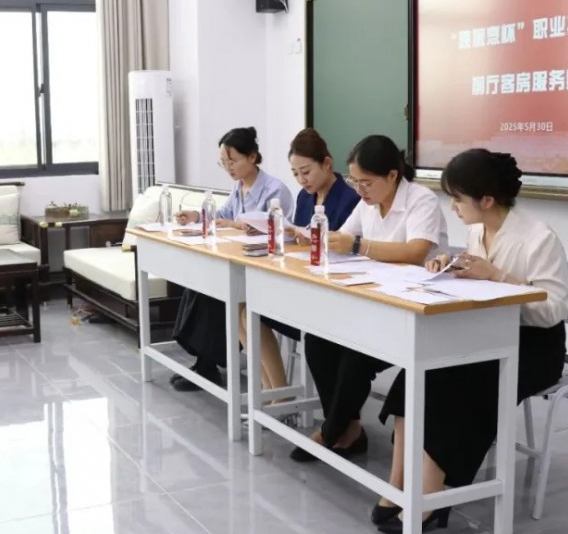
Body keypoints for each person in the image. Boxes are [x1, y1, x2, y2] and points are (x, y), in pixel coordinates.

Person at [373, 149, 568, 534]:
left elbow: (554, 308)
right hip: (486, 334)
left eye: (458, 199)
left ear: (487, 200)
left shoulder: (538, 237)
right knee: (416, 374)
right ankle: (399, 484)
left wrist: (498, 276)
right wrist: (450, 267)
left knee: (460, 386)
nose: (453, 207)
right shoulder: (478, 230)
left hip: (534, 347)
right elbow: (477, 283)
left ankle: (430, 496)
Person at [291, 134, 447, 462]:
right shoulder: (367, 203)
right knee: (318, 340)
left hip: (416, 311)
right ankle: (348, 429)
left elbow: (416, 251)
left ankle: (330, 432)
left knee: (355, 355)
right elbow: (344, 236)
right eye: (354, 181)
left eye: (366, 182)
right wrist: (317, 237)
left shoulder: (421, 200)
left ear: (392, 175)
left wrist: (358, 245)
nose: (359, 190)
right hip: (375, 302)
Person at [170, 127, 294, 391]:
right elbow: (223, 215)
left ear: (252, 157)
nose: (228, 168)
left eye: (233, 161)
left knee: (216, 295)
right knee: (200, 284)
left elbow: (274, 229)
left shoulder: (274, 190)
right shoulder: (238, 187)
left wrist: (234, 224)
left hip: (264, 268)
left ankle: (208, 365)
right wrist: (196, 216)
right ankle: (206, 363)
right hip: (239, 261)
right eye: (223, 163)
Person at [238, 128, 359, 395]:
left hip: (330, 292)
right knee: (244, 311)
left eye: (306, 172)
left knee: (252, 312)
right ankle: (274, 391)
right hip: (303, 281)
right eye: (295, 174)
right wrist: (289, 234)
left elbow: (347, 249)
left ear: (326, 163)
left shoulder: (350, 198)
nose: (302, 180)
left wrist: (310, 239)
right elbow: (301, 236)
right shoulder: (305, 196)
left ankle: (280, 395)